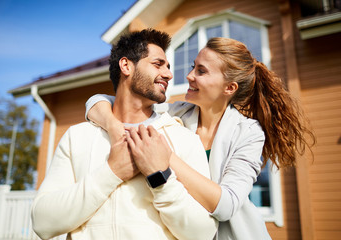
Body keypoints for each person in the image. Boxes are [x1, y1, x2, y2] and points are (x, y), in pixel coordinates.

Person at [86, 37, 316, 240]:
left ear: (229, 87)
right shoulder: (177, 114)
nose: (189, 76)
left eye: (201, 71)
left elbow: (226, 205)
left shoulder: (248, 133)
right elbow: (99, 101)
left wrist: (166, 158)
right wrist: (113, 126)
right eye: (192, 67)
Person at [31, 29, 218, 240]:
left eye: (168, 67)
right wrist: (112, 172)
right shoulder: (77, 137)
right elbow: (42, 222)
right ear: (126, 65)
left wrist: (160, 178)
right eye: (158, 64)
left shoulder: (184, 139)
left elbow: (203, 234)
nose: (168, 74)